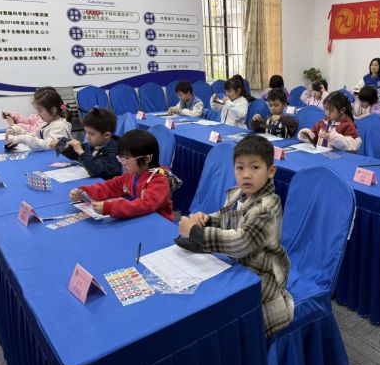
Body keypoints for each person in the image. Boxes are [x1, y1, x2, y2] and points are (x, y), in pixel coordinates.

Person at [177, 135, 294, 337]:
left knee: (224, 318)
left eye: (255, 167)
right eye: (240, 168)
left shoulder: (268, 206)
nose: (246, 175)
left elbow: (242, 242)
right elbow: (225, 217)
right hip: (237, 263)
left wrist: (196, 232)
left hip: (261, 274)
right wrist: (207, 219)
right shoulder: (238, 193)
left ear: (271, 171)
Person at [70, 129, 180, 222]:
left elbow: (146, 205)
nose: (122, 163)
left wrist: (110, 207)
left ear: (147, 158)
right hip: (139, 219)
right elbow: (110, 186)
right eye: (120, 158)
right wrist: (85, 192)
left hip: (157, 223)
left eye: (126, 158)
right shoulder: (131, 174)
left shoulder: (159, 180)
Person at [61, 108, 122, 179]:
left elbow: (97, 170)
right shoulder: (93, 145)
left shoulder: (114, 152)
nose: (87, 137)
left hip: (107, 183)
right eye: (86, 132)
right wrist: (62, 145)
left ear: (107, 135)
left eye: (92, 134)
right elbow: (75, 154)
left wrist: (80, 151)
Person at [5, 88, 72, 151]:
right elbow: (34, 136)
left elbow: (48, 145)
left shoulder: (59, 128)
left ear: (53, 110)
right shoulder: (45, 124)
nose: (38, 114)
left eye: (40, 111)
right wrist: (16, 130)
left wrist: (21, 139)